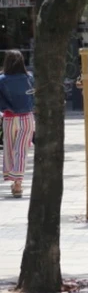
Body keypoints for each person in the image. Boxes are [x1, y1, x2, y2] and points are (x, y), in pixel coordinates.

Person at [0, 50, 35, 198]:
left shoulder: (2, 79)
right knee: (21, 151)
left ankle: (13, 179)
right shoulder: (29, 78)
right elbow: (33, 97)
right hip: (26, 118)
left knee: (9, 150)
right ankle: (18, 183)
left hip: (8, 118)